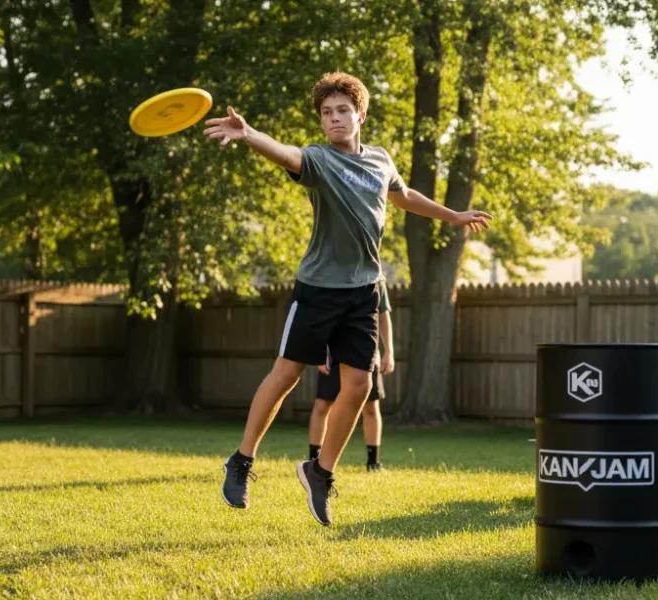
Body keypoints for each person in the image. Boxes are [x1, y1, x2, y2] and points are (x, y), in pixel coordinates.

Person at [204, 71, 491, 526]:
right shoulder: (318, 160)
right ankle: (241, 460)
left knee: (358, 386)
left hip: (363, 291)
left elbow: (404, 196)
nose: (334, 118)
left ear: (360, 114)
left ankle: (319, 472)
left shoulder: (379, 160)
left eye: (342, 111)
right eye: (326, 113)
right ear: (321, 122)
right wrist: (250, 134)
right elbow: (288, 154)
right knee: (286, 375)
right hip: (317, 289)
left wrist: (451, 214)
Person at [308, 278, 393, 472]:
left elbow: (383, 314)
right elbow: (318, 316)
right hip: (332, 353)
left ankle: (373, 462)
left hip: (365, 352)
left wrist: (389, 352)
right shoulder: (330, 274)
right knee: (322, 405)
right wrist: (319, 351)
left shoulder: (376, 277)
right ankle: (313, 460)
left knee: (371, 407)